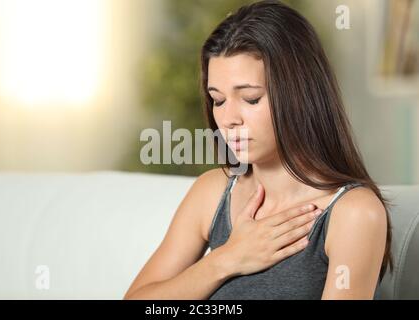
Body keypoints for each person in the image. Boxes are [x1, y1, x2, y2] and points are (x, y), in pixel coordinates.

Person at [124, 0, 392, 300]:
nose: (228, 119)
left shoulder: (354, 214)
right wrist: (226, 259)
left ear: (299, 94)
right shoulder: (213, 192)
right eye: (218, 100)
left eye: (250, 99)